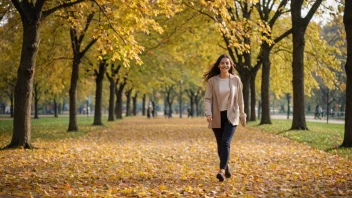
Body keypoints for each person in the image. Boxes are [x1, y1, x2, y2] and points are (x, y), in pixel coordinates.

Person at [204, 54, 246, 182]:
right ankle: (226, 167)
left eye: (227, 63)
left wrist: (242, 114)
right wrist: (208, 113)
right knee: (220, 144)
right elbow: (208, 99)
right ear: (219, 65)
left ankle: (221, 171)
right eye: (222, 63)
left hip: (231, 115)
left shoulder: (235, 80)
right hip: (216, 115)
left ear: (230, 65)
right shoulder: (212, 81)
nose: (225, 65)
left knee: (226, 142)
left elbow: (240, 98)